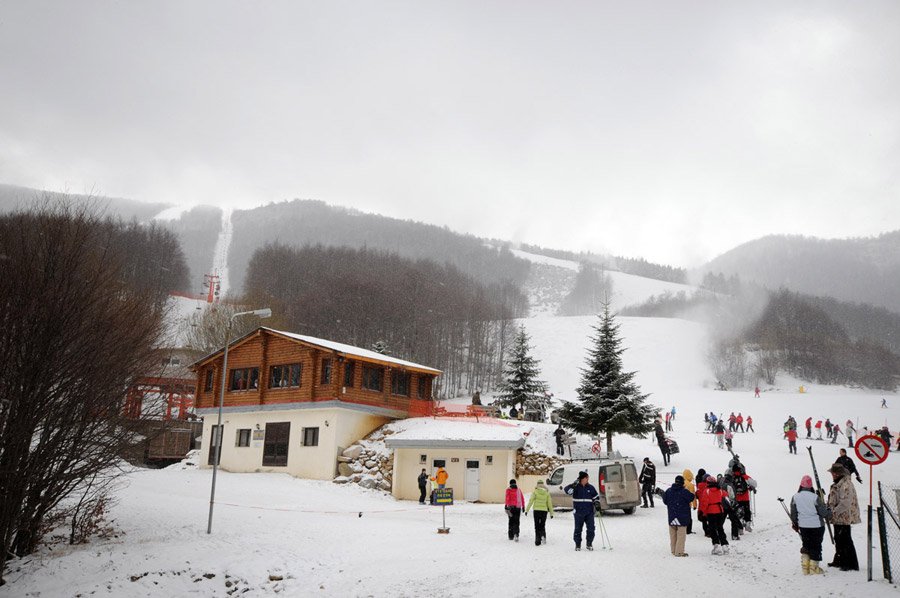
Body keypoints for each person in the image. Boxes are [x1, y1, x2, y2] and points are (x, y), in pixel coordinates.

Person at [790, 475, 830, 575]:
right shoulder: (815, 497)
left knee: (806, 544)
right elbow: (824, 513)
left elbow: (793, 513)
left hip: (803, 526)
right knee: (816, 545)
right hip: (817, 526)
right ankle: (814, 568)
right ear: (811, 486)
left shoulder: (795, 497)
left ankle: (805, 566)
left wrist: (795, 523)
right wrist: (829, 510)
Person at [826, 463, 861, 571]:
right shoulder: (839, 483)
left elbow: (845, 503)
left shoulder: (846, 484)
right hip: (838, 517)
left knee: (845, 539)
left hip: (844, 516)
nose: (832, 475)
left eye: (833, 473)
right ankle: (839, 560)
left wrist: (834, 512)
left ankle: (850, 563)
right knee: (838, 538)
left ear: (837, 474)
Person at [565, 471, 599, 551]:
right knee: (578, 529)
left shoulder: (590, 487)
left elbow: (596, 497)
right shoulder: (575, 487)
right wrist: (573, 485)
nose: (588, 479)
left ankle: (589, 543)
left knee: (591, 529)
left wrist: (597, 503)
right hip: (578, 512)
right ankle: (578, 544)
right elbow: (568, 491)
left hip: (589, 512)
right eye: (586, 477)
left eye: (588, 477)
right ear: (582, 479)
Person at [663, 475, 694, 557]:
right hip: (682, 517)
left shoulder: (669, 491)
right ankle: (679, 552)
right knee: (681, 535)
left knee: (673, 535)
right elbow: (692, 497)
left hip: (672, 515)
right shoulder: (684, 491)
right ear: (683, 483)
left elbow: (665, 501)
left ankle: (673, 550)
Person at [700, 474, 730, 554]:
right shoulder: (720, 490)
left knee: (712, 529)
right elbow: (726, 495)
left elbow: (704, 503)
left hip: (710, 511)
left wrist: (704, 513)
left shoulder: (706, 491)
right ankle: (724, 545)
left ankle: (716, 545)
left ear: (707, 482)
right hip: (720, 511)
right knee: (720, 528)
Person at [525, 479, 554, 546]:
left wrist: (527, 510)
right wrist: (551, 513)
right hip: (544, 511)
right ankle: (543, 536)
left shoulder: (535, 492)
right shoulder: (547, 493)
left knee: (537, 525)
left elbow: (531, 501)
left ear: (537, 484)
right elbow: (549, 503)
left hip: (536, 511)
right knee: (542, 525)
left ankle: (537, 540)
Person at [731, 465, 756, 531]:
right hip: (745, 498)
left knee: (738, 513)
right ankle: (747, 524)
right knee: (747, 511)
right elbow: (754, 484)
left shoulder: (732, 478)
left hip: (736, 499)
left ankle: (740, 528)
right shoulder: (745, 476)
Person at [695, 468, 709, 537]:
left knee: (704, 520)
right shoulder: (709, 486)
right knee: (710, 519)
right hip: (709, 506)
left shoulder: (699, 486)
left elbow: (697, 495)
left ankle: (706, 532)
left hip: (701, 506)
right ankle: (710, 530)